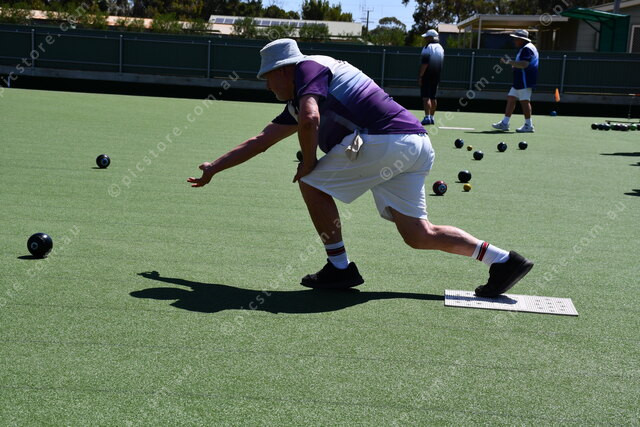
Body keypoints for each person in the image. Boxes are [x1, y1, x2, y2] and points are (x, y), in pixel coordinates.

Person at [188, 38, 533, 297]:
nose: (266, 85)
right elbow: (261, 140)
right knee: (419, 235)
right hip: (415, 144)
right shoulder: (303, 93)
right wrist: (215, 167)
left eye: (267, 77)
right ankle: (503, 261)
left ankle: (339, 267)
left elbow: (310, 120)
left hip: (385, 141)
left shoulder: (309, 69)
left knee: (311, 182)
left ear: (284, 69)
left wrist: (309, 163)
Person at [492, 29, 539, 133]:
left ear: (521, 39)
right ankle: (505, 123)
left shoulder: (527, 49)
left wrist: (509, 62)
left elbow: (524, 64)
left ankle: (528, 125)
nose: (514, 41)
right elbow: (522, 64)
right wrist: (514, 65)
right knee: (511, 98)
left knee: (524, 101)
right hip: (520, 79)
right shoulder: (525, 48)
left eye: (516, 39)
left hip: (524, 79)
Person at [418, 29, 444, 126]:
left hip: (427, 75)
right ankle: (432, 117)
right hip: (437, 75)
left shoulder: (427, 47)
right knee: (433, 97)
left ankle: (427, 117)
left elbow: (425, 63)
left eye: (427, 37)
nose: (425, 39)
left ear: (430, 38)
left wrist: (420, 76)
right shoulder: (441, 48)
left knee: (426, 97)